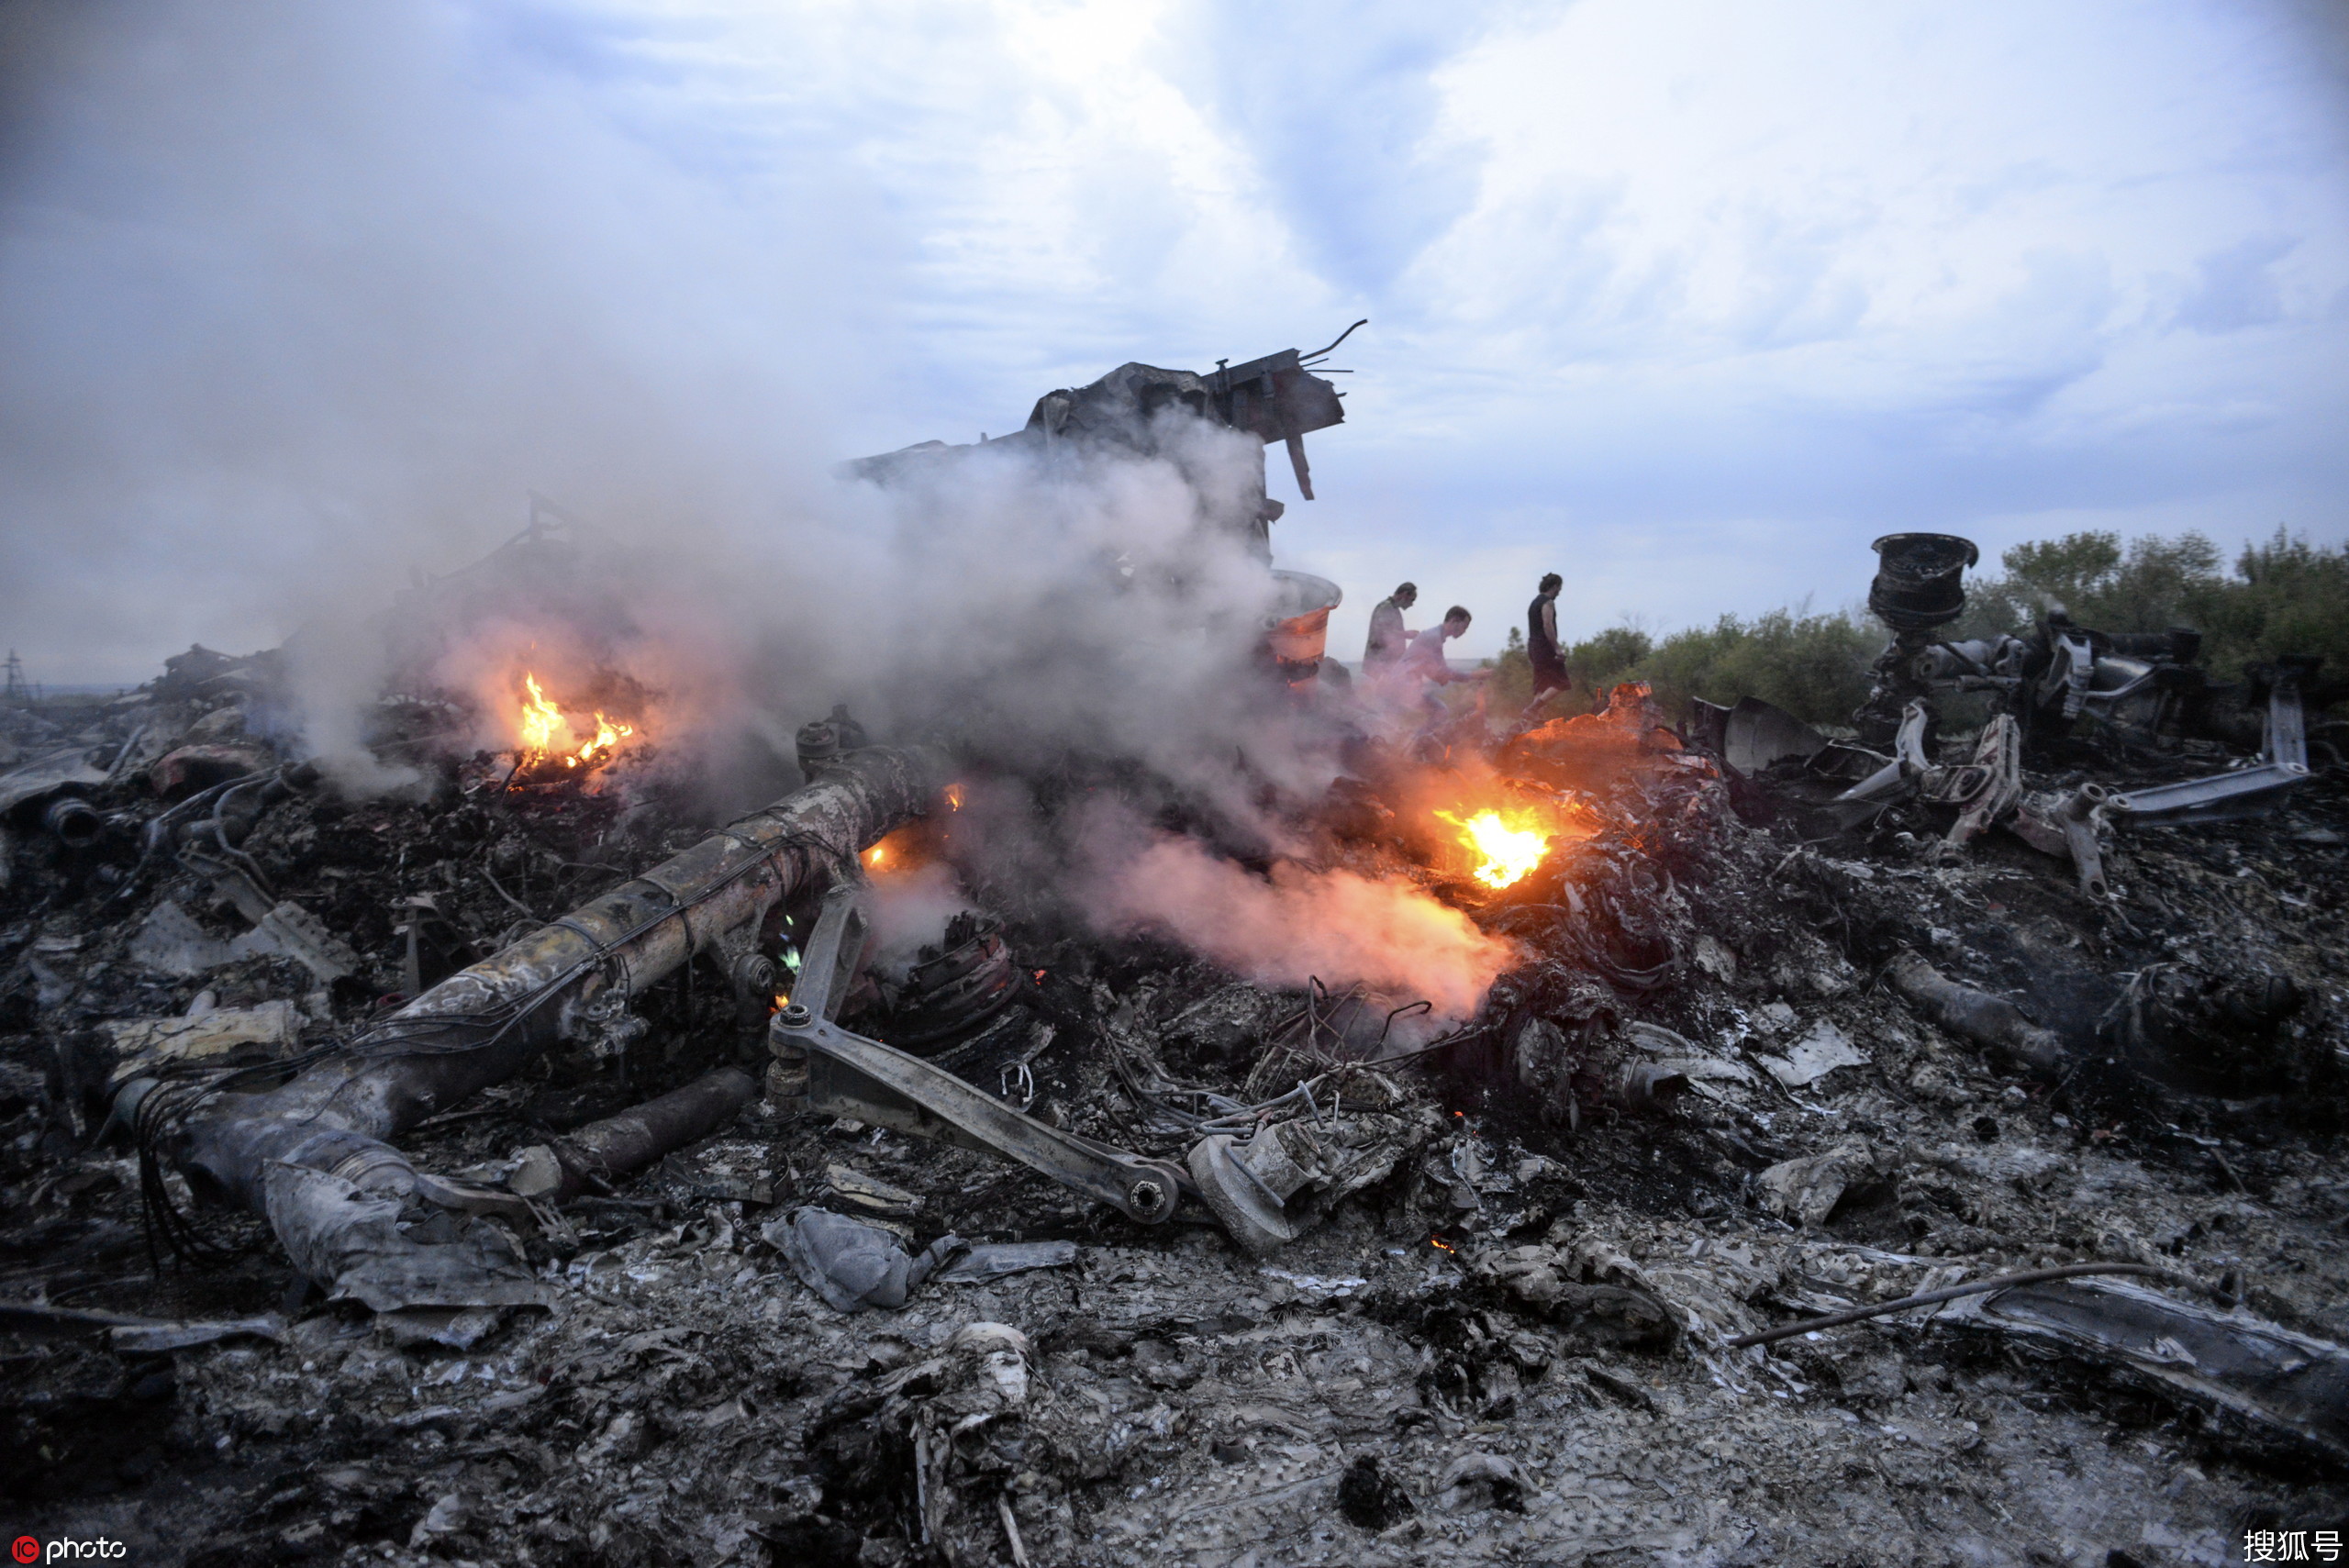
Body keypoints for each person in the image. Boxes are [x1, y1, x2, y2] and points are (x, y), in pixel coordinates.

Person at [1522, 572, 1570, 717]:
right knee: (1562, 683)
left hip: (1533, 647)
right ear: (1554, 586)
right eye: (1559, 589)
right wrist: (1557, 648)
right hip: (1545, 648)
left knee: (1541, 686)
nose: (1559, 593)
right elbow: (1547, 625)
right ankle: (1532, 709)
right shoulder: (1547, 602)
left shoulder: (1534, 602)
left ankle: (1532, 722)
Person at [1363, 582, 1419, 673]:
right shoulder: (1385, 607)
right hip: (1379, 664)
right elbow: (1381, 633)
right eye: (1412, 599)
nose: (1411, 604)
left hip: (1388, 664)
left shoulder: (1393, 609)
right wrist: (1406, 634)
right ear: (1404, 595)